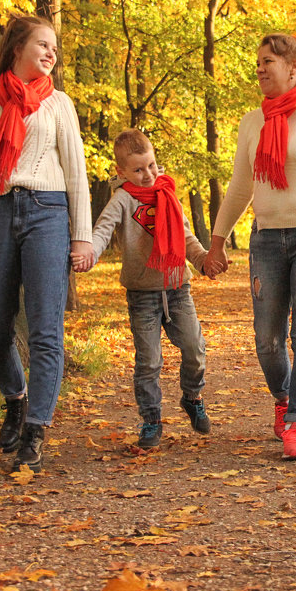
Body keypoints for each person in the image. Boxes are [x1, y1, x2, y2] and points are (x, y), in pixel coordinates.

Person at [0, 15, 92, 473]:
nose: (51, 53)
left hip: (48, 214)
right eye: (43, 45)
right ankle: (16, 399)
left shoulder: (59, 104)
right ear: (17, 49)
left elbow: (77, 173)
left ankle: (36, 430)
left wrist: (82, 236)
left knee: (46, 329)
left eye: (54, 48)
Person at [202, 33, 296, 461]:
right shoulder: (253, 122)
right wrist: (217, 241)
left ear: (295, 68)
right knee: (267, 340)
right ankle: (284, 398)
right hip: (266, 237)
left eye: (269, 61)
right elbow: (240, 186)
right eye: (258, 63)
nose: (261, 69)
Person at [81, 129, 211, 449]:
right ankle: (151, 420)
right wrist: (91, 253)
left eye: (151, 165)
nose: (148, 174)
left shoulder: (168, 193)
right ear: (121, 171)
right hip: (142, 294)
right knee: (149, 361)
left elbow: (186, 237)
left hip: (177, 287)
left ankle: (191, 397)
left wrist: (203, 261)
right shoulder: (122, 200)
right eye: (138, 170)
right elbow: (102, 230)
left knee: (195, 348)